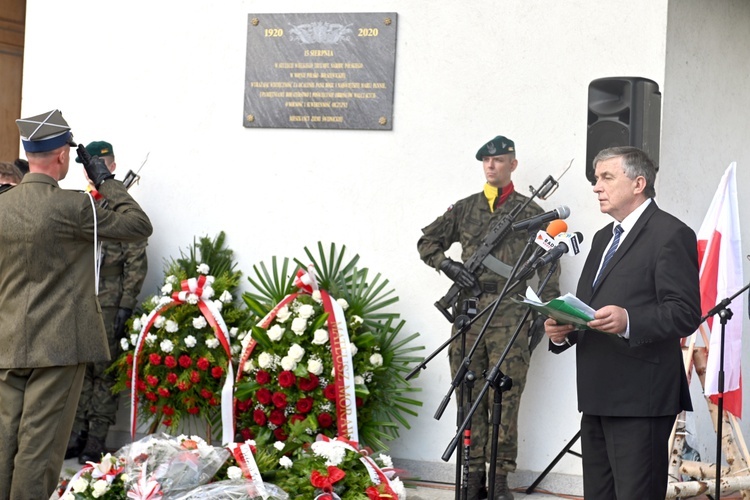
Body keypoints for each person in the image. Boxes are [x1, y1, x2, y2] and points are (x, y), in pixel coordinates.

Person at [0, 109, 153, 499]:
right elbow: (137, 225)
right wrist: (104, 179)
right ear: (63, 156)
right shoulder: (76, 207)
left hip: (7, 341)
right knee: (40, 448)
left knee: (4, 443)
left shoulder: (2, 205)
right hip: (58, 346)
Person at [544, 146, 701, 499]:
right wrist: (561, 331)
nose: (596, 186)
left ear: (638, 183)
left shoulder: (670, 234)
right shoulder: (603, 238)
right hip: (597, 392)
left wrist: (629, 320)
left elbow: (685, 312)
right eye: (596, 178)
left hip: (640, 397)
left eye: (606, 177)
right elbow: (589, 307)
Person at [418, 135, 561, 500]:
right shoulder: (465, 209)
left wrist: (548, 316)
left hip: (511, 312)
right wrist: (449, 266)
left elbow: (548, 272)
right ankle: (471, 476)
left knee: (506, 397)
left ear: (513, 164)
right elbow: (427, 243)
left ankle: (499, 479)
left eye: (499, 160)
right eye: (486, 161)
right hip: (469, 313)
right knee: (468, 394)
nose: (491, 166)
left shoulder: (532, 215)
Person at [64, 140, 149, 464]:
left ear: (111, 168)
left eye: (99, 168)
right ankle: (75, 436)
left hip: (110, 301)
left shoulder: (124, 212)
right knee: (80, 372)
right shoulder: (83, 205)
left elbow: (135, 262)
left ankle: (95, 441)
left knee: (104, 374)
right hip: (81, 299)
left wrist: (126, 304)